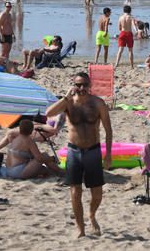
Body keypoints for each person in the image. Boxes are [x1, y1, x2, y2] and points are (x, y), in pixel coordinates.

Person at [46, 72, 112, 238]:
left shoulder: (98, 103)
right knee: (75, 192)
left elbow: (108, 130)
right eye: (78, 84)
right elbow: (48, 113)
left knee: (97, 194)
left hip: (93, 151)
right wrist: (65, 98)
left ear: (90, 86)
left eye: (85, 85)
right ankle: (80, 228)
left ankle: (92, 215)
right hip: (74, 151)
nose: (81, 88)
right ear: (73, 85)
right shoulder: (68, 104)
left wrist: (109, 154)